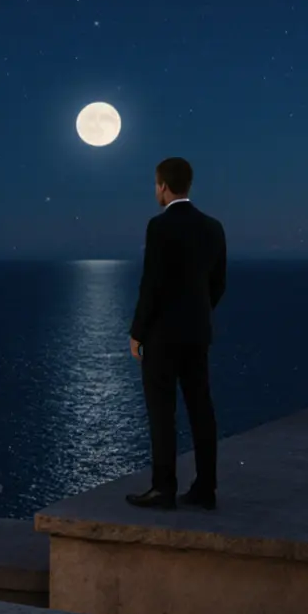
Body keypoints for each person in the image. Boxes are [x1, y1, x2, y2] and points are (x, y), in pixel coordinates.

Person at [125, 157, 226, 510]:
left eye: (156, 185)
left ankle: (163, 488)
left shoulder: (159, 226)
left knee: (162, 413)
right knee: (201, 409)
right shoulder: (213, 227)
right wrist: (198, 314)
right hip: (197, 333)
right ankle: (206, 488)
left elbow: (152, 284)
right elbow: (218, 283)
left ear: (163, 186)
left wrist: (138, 332)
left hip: (163, 337)